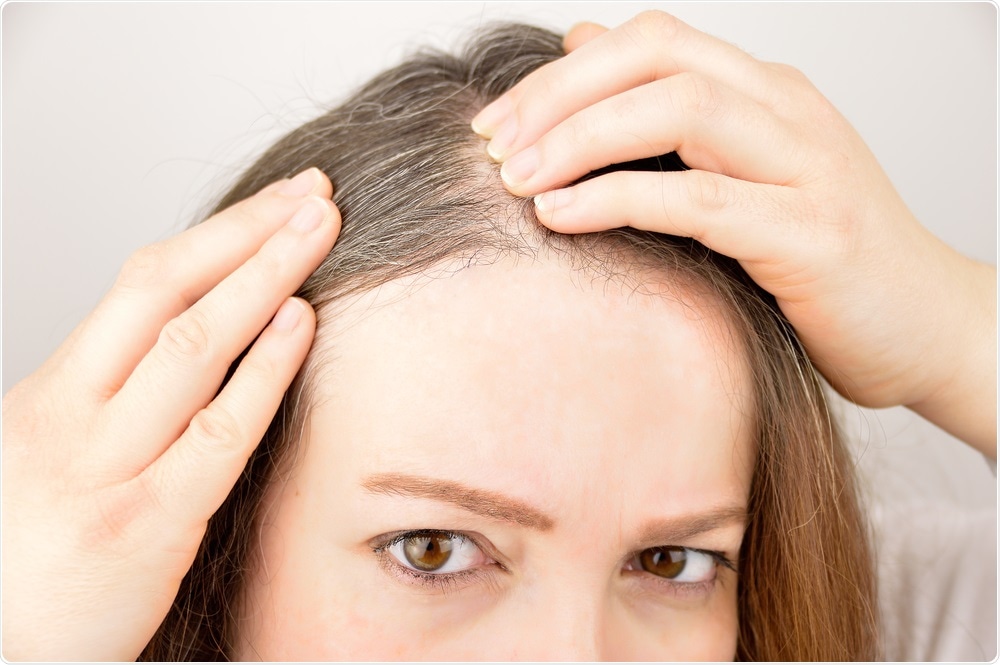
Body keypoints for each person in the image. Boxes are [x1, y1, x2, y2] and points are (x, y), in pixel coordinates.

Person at [2, 11, 994, 662]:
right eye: (432, 549)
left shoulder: (874, 627)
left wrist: (955, 329)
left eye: (669, 563)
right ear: (214, 549)